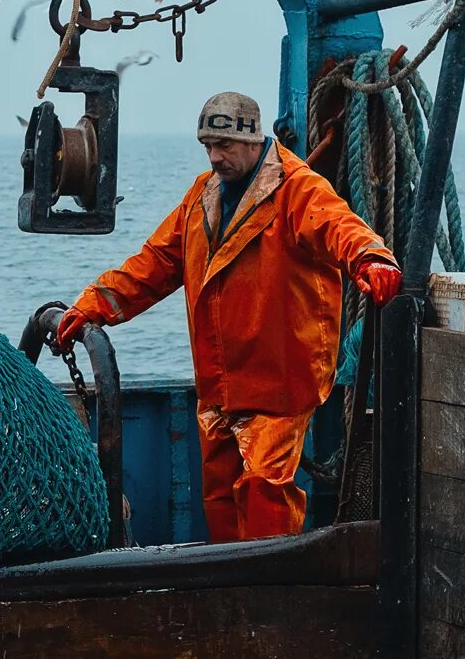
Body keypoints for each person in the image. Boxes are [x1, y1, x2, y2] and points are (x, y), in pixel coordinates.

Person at [56, 92, 402, 542]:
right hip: (219, 383)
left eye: (223, 145)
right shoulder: (202, 196)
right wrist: (93, 304)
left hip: (279, 380)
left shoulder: (298, 189)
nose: (215, 157)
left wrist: (372, 259)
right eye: (207, 147)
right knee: (219, 497)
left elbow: (339, 226)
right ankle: (229, 593)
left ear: (253, 140)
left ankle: (270, 597)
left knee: (265, 489)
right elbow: (155, 263)